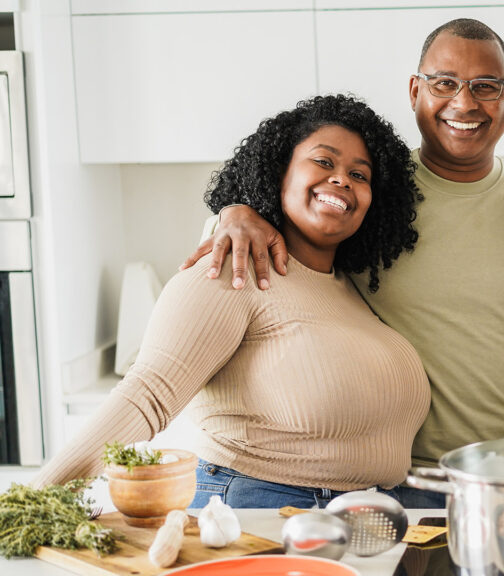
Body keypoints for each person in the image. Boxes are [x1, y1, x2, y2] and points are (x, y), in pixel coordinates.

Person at [181, 20, 504, 508]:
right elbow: (281, 215)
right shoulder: (372, 196)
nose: (464, 103)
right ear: (416, 91)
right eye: (444, 83)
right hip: (392, 487)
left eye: (485, 87)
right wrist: (234, 212)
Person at [33, 95, 430, 509]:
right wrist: (32, 503)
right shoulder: (231, 267)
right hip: (261, 512)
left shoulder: (351, 291)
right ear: (280, 171)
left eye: (359, 174)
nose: (342, 180)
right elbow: (145, 394)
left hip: (363, 517)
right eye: (324, 162)